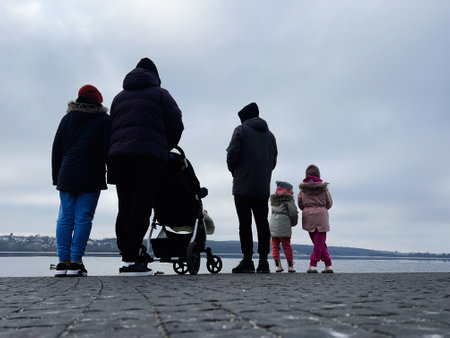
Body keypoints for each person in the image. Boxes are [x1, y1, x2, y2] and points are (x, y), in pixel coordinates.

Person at [108, 57, 184, 276]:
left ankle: (127, 254)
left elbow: (112, 128)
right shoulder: (161, 94)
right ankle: (133, 260)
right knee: (142, 205)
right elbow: (176, 123)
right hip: (148, 158)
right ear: (155, 76)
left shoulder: (118, 98)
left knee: (125, 206)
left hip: (119, 157)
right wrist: (165, 146)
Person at [52, 84, 110, 277]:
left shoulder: (66, 119)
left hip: (66, 173)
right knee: (83, 217)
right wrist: (112, 174)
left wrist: (56, 177)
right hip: (91, 174)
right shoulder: (103, 120)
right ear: (98, 101)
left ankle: (62, 262)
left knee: (65, 217)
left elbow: (56, 150)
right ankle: (76, 261)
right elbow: (107, 150)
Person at [226, 102, 278, 273]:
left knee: (245, 223)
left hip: (242, 184)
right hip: (262, 186)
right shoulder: (270, 136)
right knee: (262, 223)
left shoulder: (240, 130)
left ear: (244, 118)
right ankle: (264, 261)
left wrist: (237, 172)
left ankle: (247, 261)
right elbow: (273, 161)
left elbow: (232, 156)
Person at [298, 164, 334, 273]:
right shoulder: (323, 189)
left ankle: (328, 264)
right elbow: (329, 203)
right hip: (321, 216)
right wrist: (321, 208)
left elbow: (300, 204)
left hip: (308, 217)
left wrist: (308, 209)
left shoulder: (303, 190)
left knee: (318, 242)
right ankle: (314, 264)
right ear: (318, 175)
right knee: (320, 242)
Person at [269, 181, 298, 272]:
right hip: (284, 223)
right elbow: (293, 212)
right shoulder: (289, 199)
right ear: (287, 190)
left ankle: (278, 266)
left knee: (274, 246)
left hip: (273, 223)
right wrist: (293, 223)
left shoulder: (273, 199)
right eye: (291, 189)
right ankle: (290, 266)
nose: (293, 192)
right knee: (287, 246)